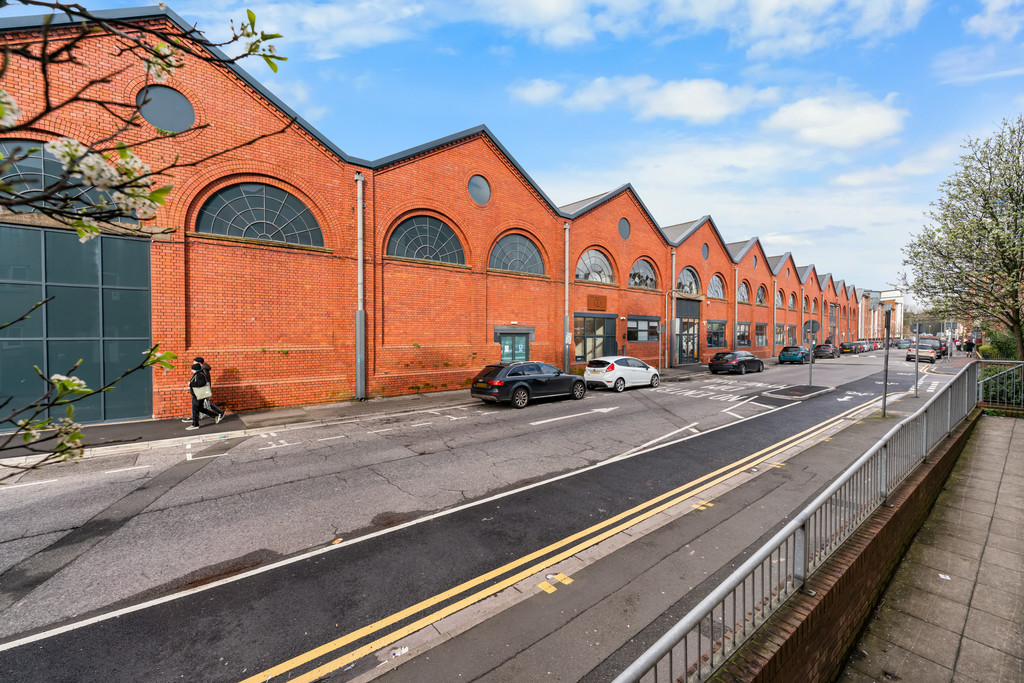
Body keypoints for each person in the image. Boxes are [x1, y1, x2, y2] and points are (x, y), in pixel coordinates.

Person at [186, 361, 223, 430]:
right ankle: (215, 415)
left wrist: (190, 384)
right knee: (200, 408)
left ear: (194, 369)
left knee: (195, 410)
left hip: (198, 396)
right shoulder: (198, 374)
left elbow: (201, 383)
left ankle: (195, 424)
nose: (191, 370)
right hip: (197, 395)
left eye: (192, 369)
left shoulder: (199, 374)